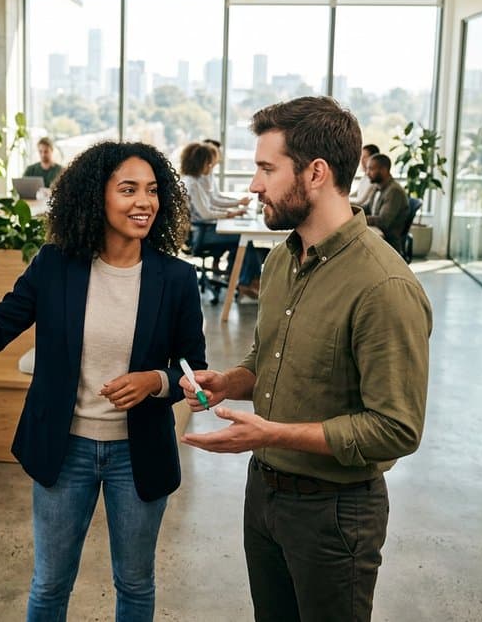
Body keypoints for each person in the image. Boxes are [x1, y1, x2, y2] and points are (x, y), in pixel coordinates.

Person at [0, 141, 207, 621]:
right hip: (66, 451)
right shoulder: (55, 265)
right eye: (128, 190)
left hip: (139, 452)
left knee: (135, 582)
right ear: (95, 197)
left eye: (151, 191)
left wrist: (154, 381)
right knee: (49, 584)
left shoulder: (177, 279)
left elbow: (193, 368)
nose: (143, 202)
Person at [178, 97, 432, 622]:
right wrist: (230, 381)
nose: (254, 185)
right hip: (265, 494)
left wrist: (270, 433)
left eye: (267, 169)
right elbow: (268, 358)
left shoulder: (383, 285)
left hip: (335, 512)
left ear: (316, 173)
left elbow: (396, 428)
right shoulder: (280, 261)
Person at [180, 142, 261, 297]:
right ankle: (248, 282)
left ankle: (238, 279)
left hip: (202, 229)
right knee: (243, 238)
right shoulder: (192, 184)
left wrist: (233, 210)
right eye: (208, 163)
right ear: (199, 163)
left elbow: (210, 204)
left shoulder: (194, 180)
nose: (211, 167)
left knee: (240, 243)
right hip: (200, 234)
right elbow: (205, 214)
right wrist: (230, 214)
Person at [364, 153, 410, 252]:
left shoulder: (394, 191)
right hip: (377, 236)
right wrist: (348, 209)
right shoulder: (378, 186)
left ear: (384, 170)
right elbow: (367, 208)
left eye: (371, 169)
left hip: (389, 245)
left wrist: (359, 218)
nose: (367, 173)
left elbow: (383, 221)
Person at [352, 143, 380, 209]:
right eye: (361, 157)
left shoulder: (374, 179)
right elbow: (357, 193)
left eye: (364, 157)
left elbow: (360, 201)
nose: (361, 160)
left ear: (373, 159)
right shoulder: (365, 176)